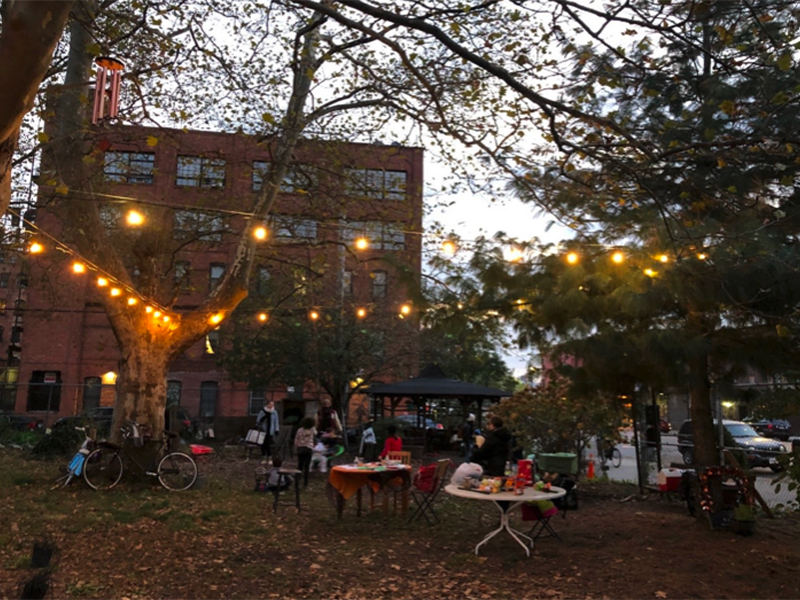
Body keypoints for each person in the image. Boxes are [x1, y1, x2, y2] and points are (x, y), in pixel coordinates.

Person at [294, 416, 316, 487]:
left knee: (300, 465)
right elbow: (316, 434)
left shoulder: (299, 430)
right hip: (309, 448)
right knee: (307, 466)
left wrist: (296, 447)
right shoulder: (312, 430)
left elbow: (296, 440)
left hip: (301, 448)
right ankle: (305, 483)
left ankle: (297, 480)